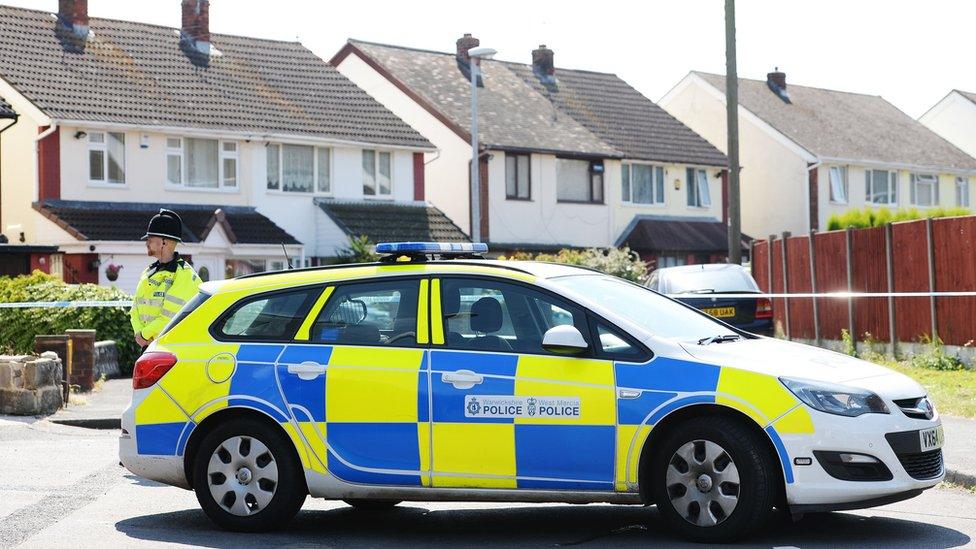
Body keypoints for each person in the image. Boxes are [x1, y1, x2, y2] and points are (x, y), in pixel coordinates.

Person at [130, 209, 201, 348]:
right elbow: (134, 310)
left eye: (150, 240)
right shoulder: (148, 272)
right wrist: (139, 335)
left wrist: (144, 335)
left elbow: (170, 317)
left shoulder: (184, 275)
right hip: (150, 347)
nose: (146, 243)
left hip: (172, 349)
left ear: (164, 243)